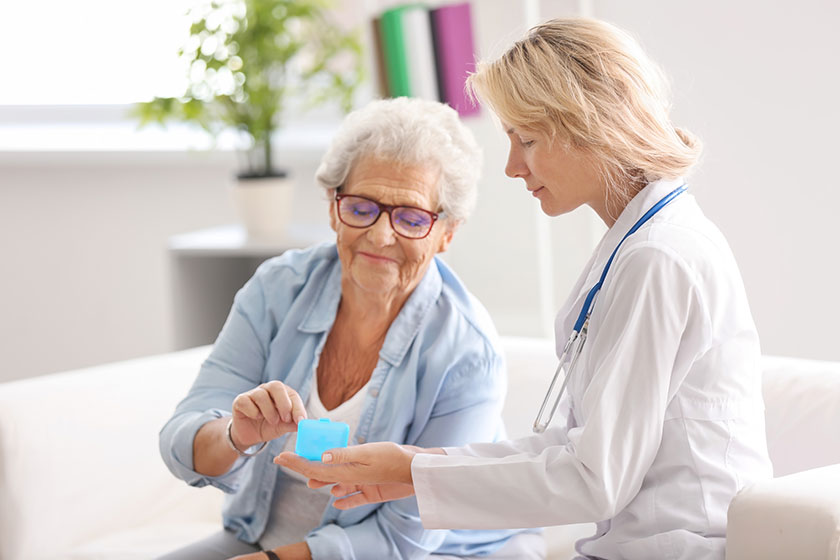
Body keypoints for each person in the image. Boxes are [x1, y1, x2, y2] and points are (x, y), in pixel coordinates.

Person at [276, 17, 773, 560]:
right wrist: (413, 470)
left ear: (590, 125)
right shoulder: (640, 244)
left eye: (527, 140)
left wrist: (413, 471)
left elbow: (595, 479)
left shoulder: (658, 257)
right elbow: (581, 451)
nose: (513, 167)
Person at [158, 98, 543, 560]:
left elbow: (404, 538)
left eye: (411, 218)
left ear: (447, 232)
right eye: (361, 208)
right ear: (333, 208)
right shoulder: (278, 290)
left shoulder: (467, 352)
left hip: (440, 552)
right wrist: (234, 435)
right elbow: (180, 441)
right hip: (261, 533)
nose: (380, 236)